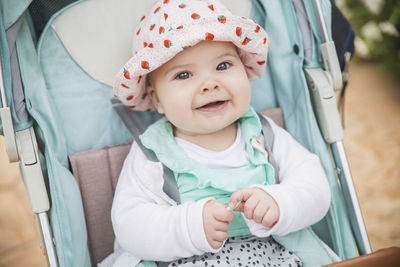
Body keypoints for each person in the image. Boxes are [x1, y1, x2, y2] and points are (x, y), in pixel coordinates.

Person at [108, 0, 337, 266]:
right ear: (156, 99)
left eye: (223, 66)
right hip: (186, 257)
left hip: (272, 255)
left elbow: (315, 188)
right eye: (183, 75)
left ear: (244, 68)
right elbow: (129, 224)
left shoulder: (263, 134)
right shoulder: (152, 153)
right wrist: (188, 226)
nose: (209, 84)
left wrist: (279, 202)